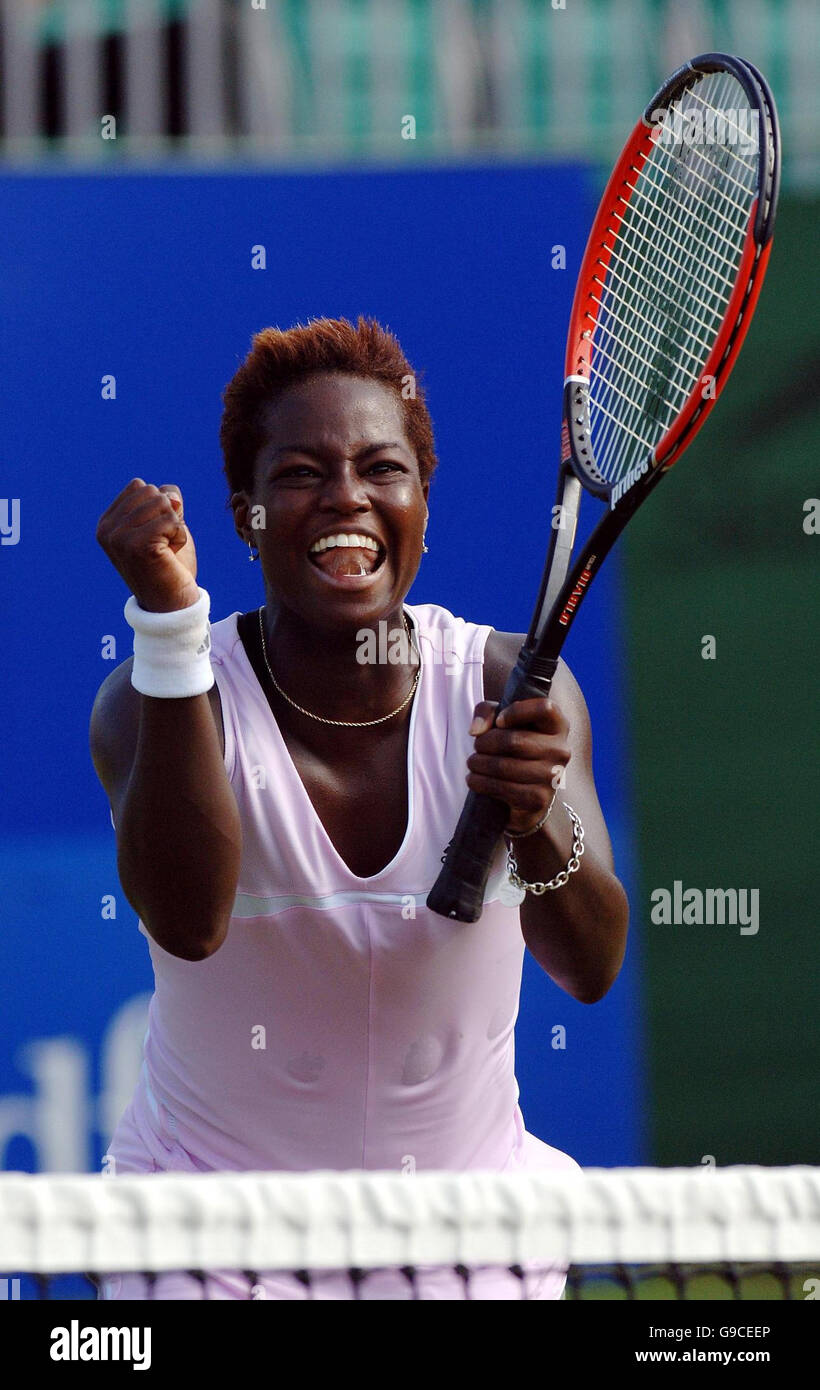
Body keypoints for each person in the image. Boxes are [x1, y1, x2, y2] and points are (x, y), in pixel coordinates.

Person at [89, 316, 629, 1299]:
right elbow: (188, 919)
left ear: (422, 504)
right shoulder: (154, 698)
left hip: (471, 1244)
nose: (346, 498)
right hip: (207, 1243)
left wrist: (534, 810)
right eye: (300, 473)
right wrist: (169, 631)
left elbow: (591, 966)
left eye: (382, 469)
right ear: (245, 512)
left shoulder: (513, 682)